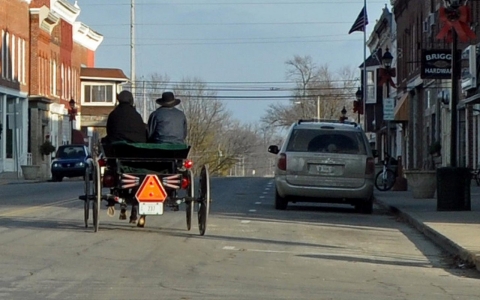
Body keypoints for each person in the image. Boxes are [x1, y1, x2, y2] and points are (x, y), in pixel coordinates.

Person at [104, 90, 147, 223]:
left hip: (119, 155)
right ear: (131, 101)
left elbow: (109, 133)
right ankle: (136, 211)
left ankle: (117, 198)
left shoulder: (113, 115)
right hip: (137, 155)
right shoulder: (137, 116)